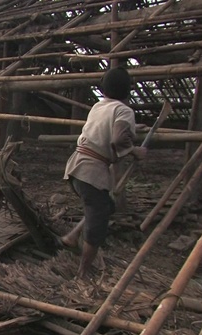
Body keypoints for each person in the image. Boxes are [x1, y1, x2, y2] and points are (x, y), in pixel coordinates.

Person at [57, 67, 147, 279]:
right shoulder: (125, 111)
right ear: (127, 91)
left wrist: (131, 128)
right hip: (92, 173)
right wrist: (135, 151)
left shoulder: (98, 106)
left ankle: (72, 236)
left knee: (105, 207)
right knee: (97, 224)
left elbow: (111, 127)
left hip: (76, 168)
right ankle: (83, 273)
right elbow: (117, 140)